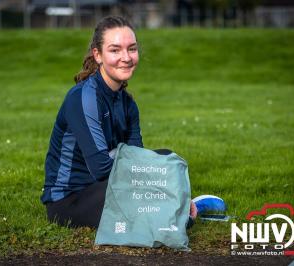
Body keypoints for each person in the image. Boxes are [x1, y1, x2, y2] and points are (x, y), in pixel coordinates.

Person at [40, 15, 197, 228]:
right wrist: (161, 186)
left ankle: (175, 206)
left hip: (110, 187)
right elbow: (101, 169)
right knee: (159, 188)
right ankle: (174, 209)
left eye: (131, 49)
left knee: (166, 157)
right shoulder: (82, 98)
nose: (126, 57)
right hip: (71, 200)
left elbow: (138, 160)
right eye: (115, 50)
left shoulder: (128, 104)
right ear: (98, 55)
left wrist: (167, 181)